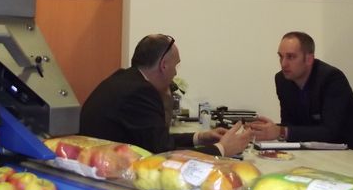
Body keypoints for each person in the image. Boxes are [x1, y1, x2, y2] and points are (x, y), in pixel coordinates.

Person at [79, 34, 252, 157]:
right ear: (164, 65)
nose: (175, 73)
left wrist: (199, 138)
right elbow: (164, 155)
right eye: (176, 66)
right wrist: (222, 149)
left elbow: (155, 140)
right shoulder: (141, 92)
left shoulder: (125, 79)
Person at [249, 31, 353, 159]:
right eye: (281, 57)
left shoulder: (331, 78)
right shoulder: (282, 80)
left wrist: (280, 131)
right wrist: (267, 130)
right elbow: (290, 124)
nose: (283, 63)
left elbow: (330, 131)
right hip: (326, 156)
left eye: (291, 57)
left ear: (309, 59)